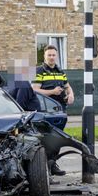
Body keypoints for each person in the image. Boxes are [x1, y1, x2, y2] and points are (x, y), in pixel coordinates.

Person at [33, 45, 74, 176]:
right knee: (46, 139)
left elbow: (68, 86)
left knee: (57, 139)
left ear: (56, 56)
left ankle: (52, 164)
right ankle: (43, 167)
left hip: (60, 110)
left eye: (53, 55)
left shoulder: (60, 71)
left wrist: (71, 94)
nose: (51, 57)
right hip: (46, 111)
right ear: (44, 56)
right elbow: (35, 89)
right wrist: (52, 92)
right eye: (49, 55)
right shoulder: (39, 71)